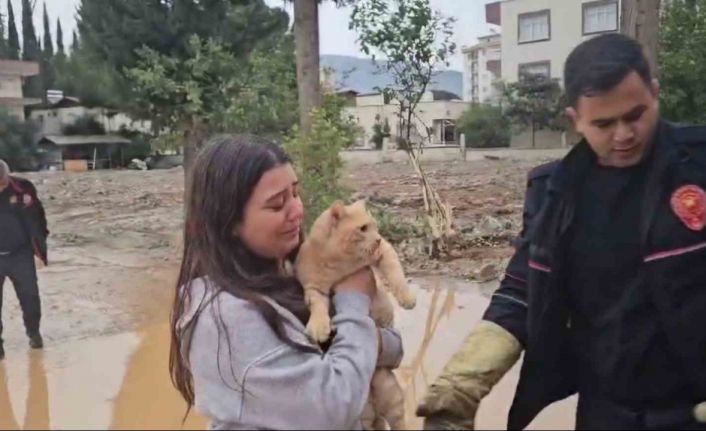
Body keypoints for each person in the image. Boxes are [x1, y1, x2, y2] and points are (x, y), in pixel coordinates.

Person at [417, 33, 706, 430]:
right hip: (605, 413)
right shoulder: (554, 194)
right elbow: (521, 291)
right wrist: (465, 381)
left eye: (635, 115)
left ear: (654, 94)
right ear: (576, 120)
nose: (623, 134)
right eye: (604, 123)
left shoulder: (699, 167)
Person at [169, 135, 404, 430]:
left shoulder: (289, 272)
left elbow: (393, 348)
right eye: (277, 204)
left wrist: (369, 336)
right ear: (229, 223)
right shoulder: (224, 318)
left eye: (295, 193)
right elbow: (332, 408)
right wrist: (353, 301)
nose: (297, 211)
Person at [0, 159, 47, 361]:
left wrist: (40, 249)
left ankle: (33, 333)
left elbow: (38, 218)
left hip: (21, 254)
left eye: (2, 181)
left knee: (30, 298)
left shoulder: (23, 188)